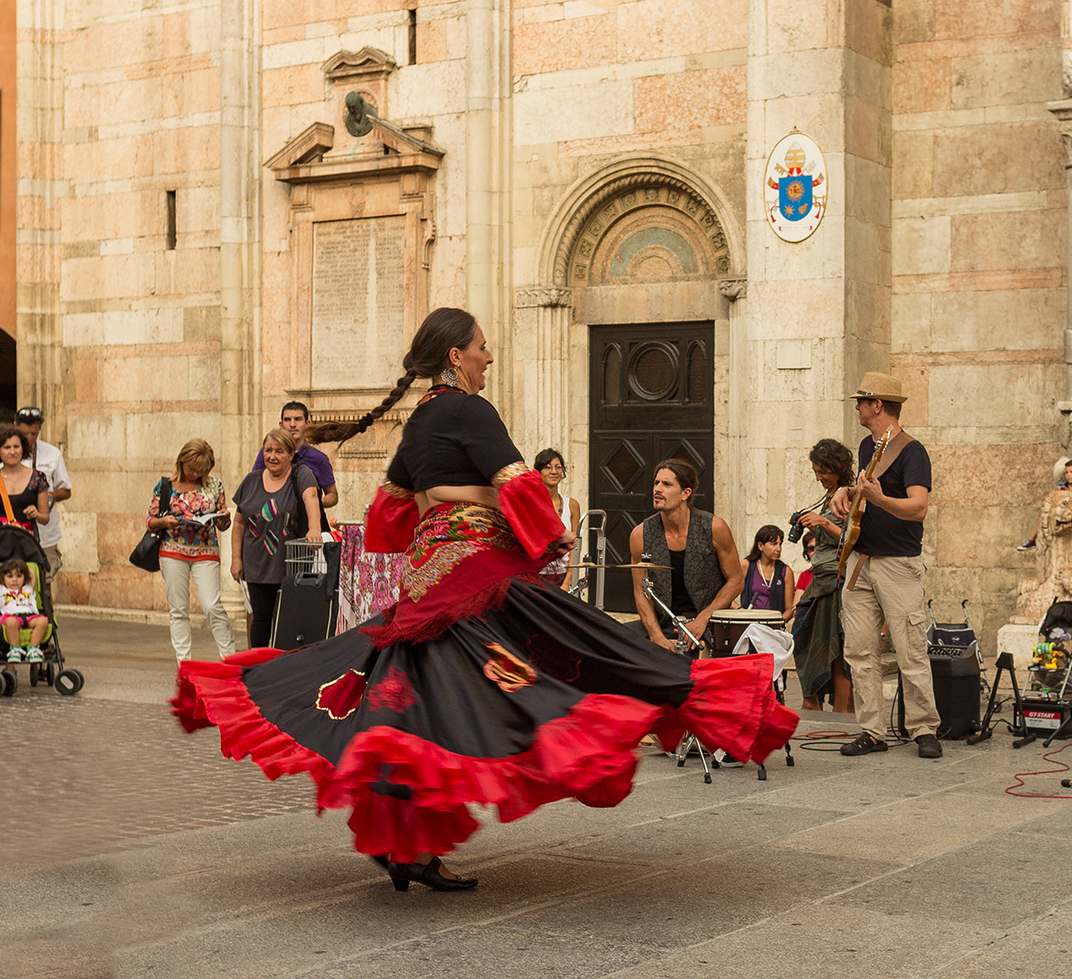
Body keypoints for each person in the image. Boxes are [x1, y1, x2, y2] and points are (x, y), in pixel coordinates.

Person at [171, 307, 796, 893]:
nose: (489, 357)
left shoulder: (420, 420)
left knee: (418, 701)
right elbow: (524, 489)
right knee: (579, 649)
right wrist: (531, 526)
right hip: (476, 574)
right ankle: (694, 693)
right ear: (456, 355)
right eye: (482, 347)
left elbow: (388, 514)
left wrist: (443, 492)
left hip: (426, 580)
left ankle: (407, 844)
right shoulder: (472, 411)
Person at [831, 372, 942, 759]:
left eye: (861, 402)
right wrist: (846, 494)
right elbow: (866, 490)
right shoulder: (866, 446)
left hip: (898, 565)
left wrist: (878, 499)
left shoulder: (913, 452)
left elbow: (918, 507)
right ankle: (872, 731)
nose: (857, 408)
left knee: (910, 649)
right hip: (862, 560)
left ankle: (924, 729)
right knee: (860, 651)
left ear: (877, 405)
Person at [629, 460, 745, 651]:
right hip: (664, 623)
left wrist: (704, 618)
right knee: (614, 640)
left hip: (707, 622)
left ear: (686, 493)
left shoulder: (714, 528)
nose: (657, 489)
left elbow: (736, 580)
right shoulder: (640, 534)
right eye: (656, 483)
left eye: (666, 484)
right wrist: (656, 636)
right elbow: (641, 592)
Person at [230, 429, 324, 651]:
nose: (272, 456)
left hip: (289, 563)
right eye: (268, 450)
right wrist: (236, 559)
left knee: (289, 621)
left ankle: (285, 667)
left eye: (279, 451)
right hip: (256, 564)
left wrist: (314, 528)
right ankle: (258, 665)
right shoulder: (251, 481)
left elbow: (310, 496)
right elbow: (239, 522)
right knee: (261, 619)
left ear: (291, 455)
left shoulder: (301, 474)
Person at [147, 440, 235, 662]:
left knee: (212, 605)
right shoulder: (165, 486)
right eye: (192, 468)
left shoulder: (214, 486)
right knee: (178, 609)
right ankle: (183, 663)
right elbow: (150, 521)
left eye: (202, 469)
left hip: (206, 551)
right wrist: (165, 521)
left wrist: (224, 519)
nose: (196, 473)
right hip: (172, 552)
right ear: (181, 462)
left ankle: (229, 659)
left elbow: (223, 525)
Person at [793, 438, 852, 713]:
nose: (819, 477)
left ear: (837, 467)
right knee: (805, 637)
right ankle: (813, 704)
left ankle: (842, 712)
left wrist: (823, 522)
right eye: (816, 471)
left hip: (836, 579)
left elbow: (853, 539)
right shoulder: (830, 495)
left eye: (823, 472)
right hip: (821, 577)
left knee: (836, 649)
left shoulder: (848, 495)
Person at [0, 408, 73, 581]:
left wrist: (48, 495)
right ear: (15, 426)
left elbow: (66, 490)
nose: (30, 438)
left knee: (42, 584)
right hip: (7, 534)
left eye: (34, 433)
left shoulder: (52, 453)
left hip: (44, 534)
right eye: (25, 433)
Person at [249, 402, 339, 511]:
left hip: (308, 520)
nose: (292, 424)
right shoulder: (267, 454)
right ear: (281, 425)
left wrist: (313, 502)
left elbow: (332, 495)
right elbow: (253, 486)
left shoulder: (319, 458)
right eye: (287, 420)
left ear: (307, 423)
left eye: (298, 419)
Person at [0, 425, 51, 537]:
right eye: (7, 447)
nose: (12, 452)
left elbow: (45, 518)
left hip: (24, 543)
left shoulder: (38, 478)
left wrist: (36, 514)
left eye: (16, 446)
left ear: (23, 448)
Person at [0, 558, 50, 666]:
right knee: (11, 622)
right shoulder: (1, 589)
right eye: (10, 576)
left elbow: (32, 572)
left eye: (19, 576)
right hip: (11, 617)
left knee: (43, 621)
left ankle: (33, 648)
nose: (14, 580)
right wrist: (3, 571)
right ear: (3, 578)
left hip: (30, 616)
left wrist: (21, 570)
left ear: (24, 577)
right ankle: (15, 648)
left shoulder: (28, 588)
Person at [533, 449, 580, 590]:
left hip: (562, 576)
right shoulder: (532, 505)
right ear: (538, 472)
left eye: (558, 467)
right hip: (537, 576)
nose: (554, 471)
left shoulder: (572, 505)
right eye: (548, 467)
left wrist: (567, 582)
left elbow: (575, 547)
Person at [1018, 460, 1072, 550]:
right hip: (1064, 510)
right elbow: (1056, 499)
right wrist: (1059, 493)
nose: (1068, 475)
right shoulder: (1062, 485)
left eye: (1071, 472)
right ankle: (1032, 540)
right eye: (1066, 472)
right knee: (1044, 513)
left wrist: (1066, 493)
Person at [735, 526, 795, 623]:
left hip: (774, 627)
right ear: (760, 546)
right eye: (773, 544)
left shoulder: (786, 571)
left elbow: (789, 609)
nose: (778, 549)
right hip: (750, 624)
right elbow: (728, 594)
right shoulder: (746, 565)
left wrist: (778, 623)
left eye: (780, 544)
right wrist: (741, 611)